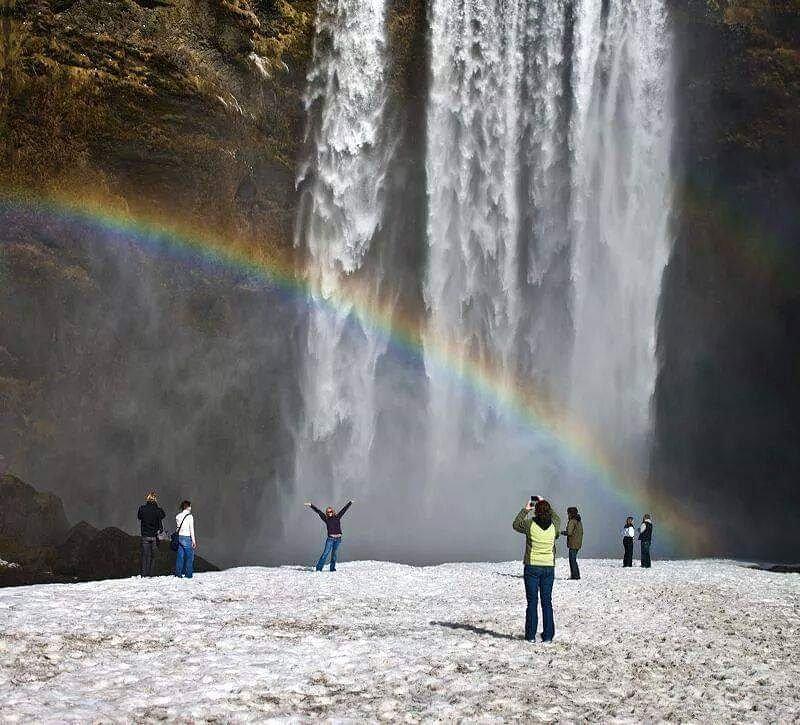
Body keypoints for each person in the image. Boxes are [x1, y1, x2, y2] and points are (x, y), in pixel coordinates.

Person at [513, 498, 556, 642]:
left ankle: (531, 636)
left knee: (532, 602)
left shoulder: (529, 524)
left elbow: (515, 524)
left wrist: (526, 508)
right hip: (549, 567)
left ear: (535, 511)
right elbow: (557, 517)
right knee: (547, 602)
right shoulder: (555, 526)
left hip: (532, 567)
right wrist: (545, 502)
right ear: (549, 511)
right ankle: (548, 636)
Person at [304, 500, 353, 572]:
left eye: (330, 511)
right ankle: (319, 569)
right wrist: (311, 505)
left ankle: (332, 568)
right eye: (328, 512)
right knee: (325, 554)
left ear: (333, 512)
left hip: (338, 539)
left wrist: (350, 503)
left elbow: (344, 510)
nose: (329, 513)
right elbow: (318, 512)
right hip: (330, 539)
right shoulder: (326, 518)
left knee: (334, 554)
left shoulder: (337, 517)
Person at [137, 490, 166, 577]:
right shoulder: (158, 510)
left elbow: (139, 516)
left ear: (147, 499)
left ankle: (144, 574)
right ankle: (151, 574)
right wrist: (156, 506)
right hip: (154, 536)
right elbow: (163, 515)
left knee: (145, 555)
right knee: (154, 556)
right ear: (155, 500)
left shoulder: (142, 508)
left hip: (145, 535)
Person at [174, 500, 196, 579]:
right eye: (190, 506)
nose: (191, 507)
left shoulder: (178, 516)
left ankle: (178, 573)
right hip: (187, 537)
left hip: (180, 537)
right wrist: (193, 541)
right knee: (189, 557)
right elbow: (191, 529)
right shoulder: (190, 517)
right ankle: (188, 574)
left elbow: (177, 528)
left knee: (180, 556)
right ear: (187, 507)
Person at [561, 506, 583, 580]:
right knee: (573, 560)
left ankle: (575, 576)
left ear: (570, 513)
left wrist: (561, 532)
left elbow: (569, 532)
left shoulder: (572, 521)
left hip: (573, 544)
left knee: (572, 560)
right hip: (578, 543)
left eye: (568, 513)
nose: (567, 515)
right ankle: (576, 575)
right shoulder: (578, 521)